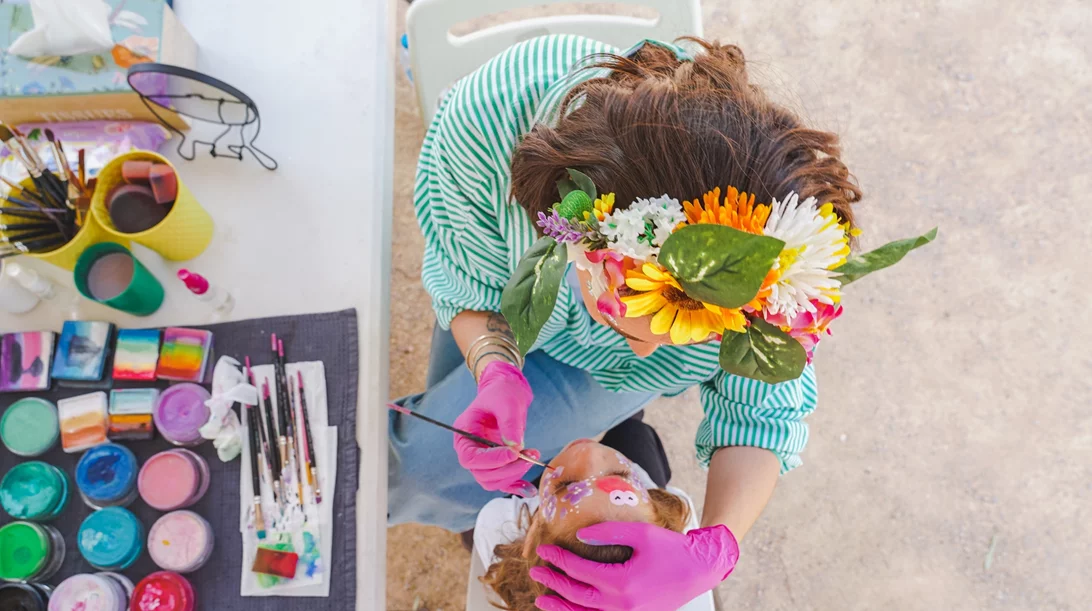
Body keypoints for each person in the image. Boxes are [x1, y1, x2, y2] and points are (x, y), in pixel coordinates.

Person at [390, 34, 862, 610]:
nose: (647, 362)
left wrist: (718, 548)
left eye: (695, 337)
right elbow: (467, 281)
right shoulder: (483, 129)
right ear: (577, 241)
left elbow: (759, 414)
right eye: (632, 329)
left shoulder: (774, 261)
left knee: (437, 468)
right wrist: (494, 366)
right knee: (417, 469)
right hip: (498, 297)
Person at [475, 420, 725, 611]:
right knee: (633, 431)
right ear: (660, 509)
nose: (589, 454)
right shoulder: (682, 518)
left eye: (566, 485)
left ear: (532, 536)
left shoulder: (498, 522)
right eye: (621, 475)